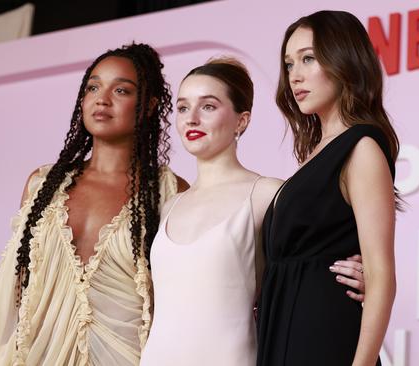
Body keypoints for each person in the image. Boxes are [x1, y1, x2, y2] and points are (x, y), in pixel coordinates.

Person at [140, 57, 367, 366]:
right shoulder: (170, 205)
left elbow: (312, 264)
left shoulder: (269, 193)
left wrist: (364, 276)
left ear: (242, 121)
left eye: (207, 106)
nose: (191, 118)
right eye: (182, 108)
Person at [0, 43, 189, 366]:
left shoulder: (169, 192)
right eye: (93, 87)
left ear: (149, 105)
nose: (102, 98)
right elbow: (11, 297)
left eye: (121, 90)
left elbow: (179, 303)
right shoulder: (42, 185)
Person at [256, 10, 400, 366]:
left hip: (325, 336)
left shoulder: (361, 147)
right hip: (285, 334)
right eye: (289, 64)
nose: (295, 76)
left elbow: (381, 276)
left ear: (344, 60)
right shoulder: (315, 154)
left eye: (308, 59)